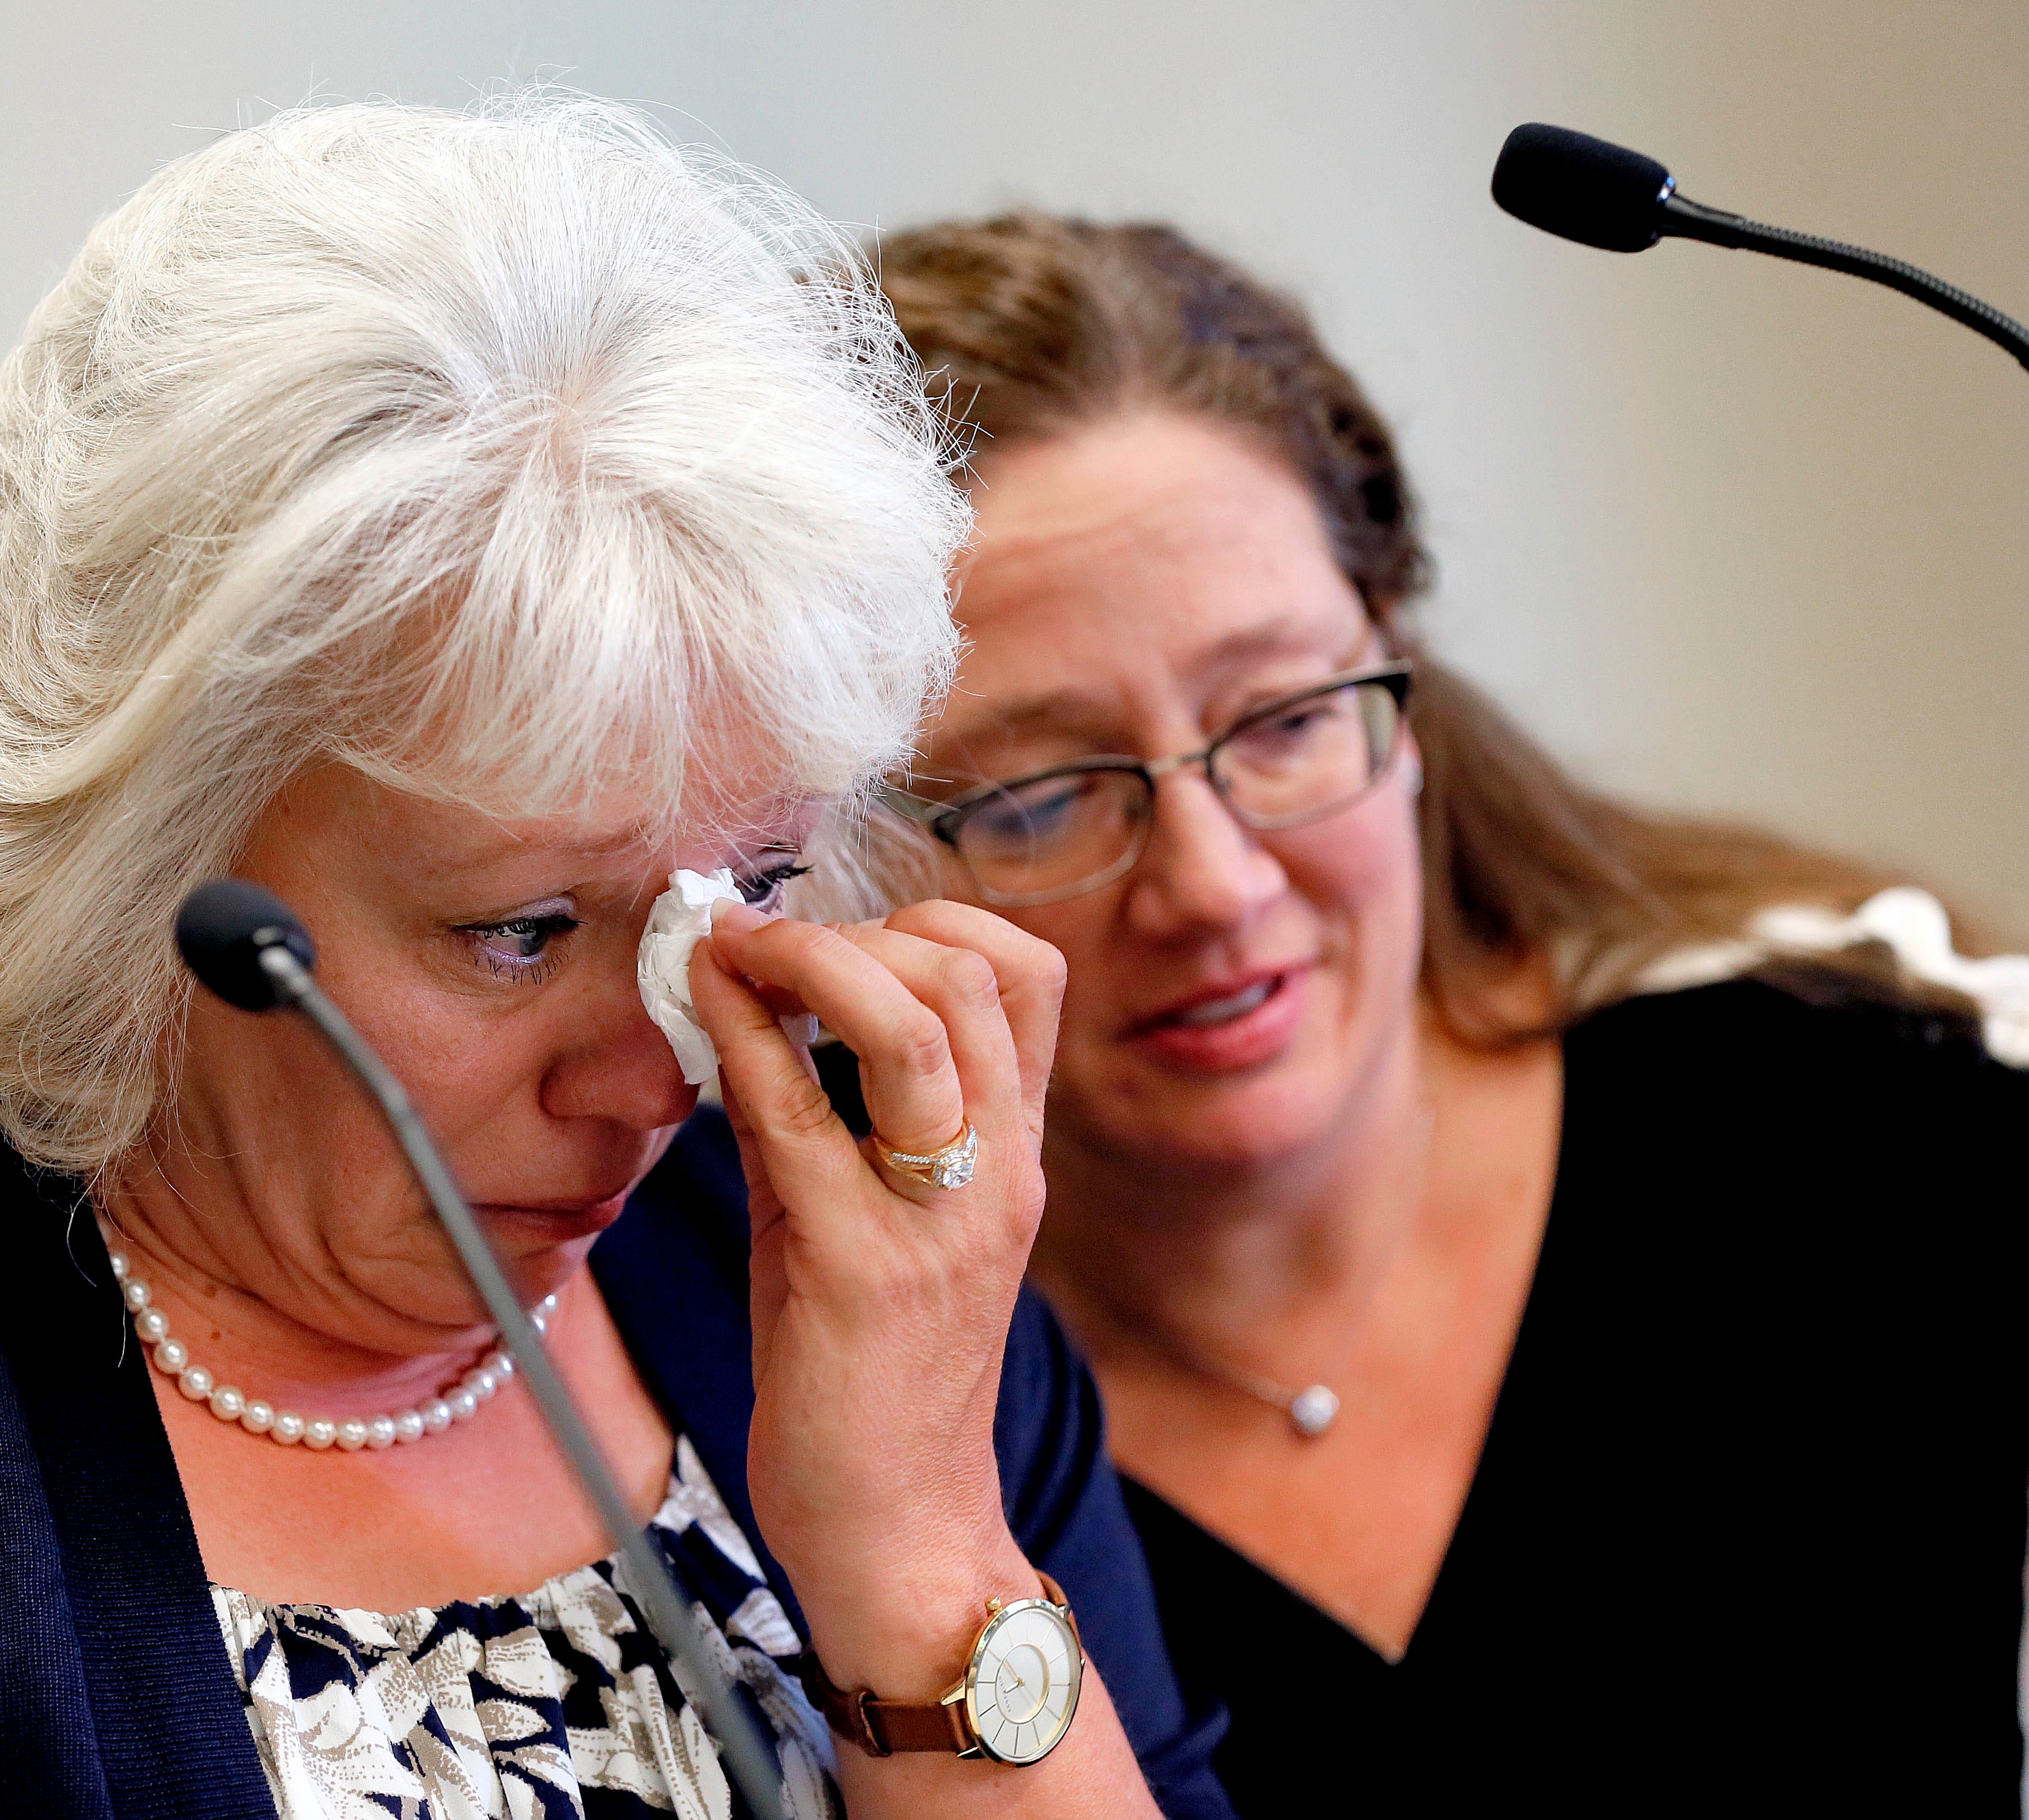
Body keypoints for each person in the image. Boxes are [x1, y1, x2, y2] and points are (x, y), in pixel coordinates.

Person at [0, 110, 1235, 1820]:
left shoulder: (875, 1306)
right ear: (133, 869)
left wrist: (923, 1552)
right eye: (519, 930)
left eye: (751, 883)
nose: (656, 1073)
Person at [849, 213, 2029, 1815]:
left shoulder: (1862, 1130)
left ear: (1401, 693)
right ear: (841, 858)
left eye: (1282, 720)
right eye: (1043, 795)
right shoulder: (864, 1422)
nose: (1210, 882)